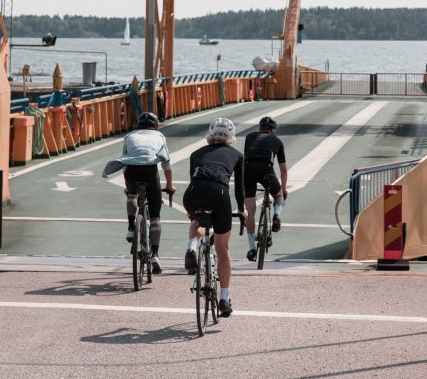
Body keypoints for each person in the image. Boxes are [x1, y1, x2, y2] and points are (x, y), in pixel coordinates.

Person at [183, 117, 247, 318]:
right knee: (222, 247)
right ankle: (223, 299)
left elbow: (194, 177)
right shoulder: (237, 155)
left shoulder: (196, 153)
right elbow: (240, 188)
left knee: (196, 220)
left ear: (210, 134)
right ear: (231, 136)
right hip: (219, 193)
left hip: (193, 192)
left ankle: (191, 247)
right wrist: (242, 210)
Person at [102, 111, 174, 274]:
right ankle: (155, 254)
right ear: (155, 125)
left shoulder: (129, 136)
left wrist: (129, 187)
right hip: (149, 172)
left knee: (131, 194)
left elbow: (126, 160)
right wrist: (170, 185)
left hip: (132, 171)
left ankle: (130, 227)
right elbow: (166, 165)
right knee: (155, 216)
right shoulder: (160, 137)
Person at [243, 115, 288, 261]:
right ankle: (276, 215)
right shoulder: (277, 141)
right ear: (273, 131)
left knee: (249, 212)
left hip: (248, 170)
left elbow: (246, 156)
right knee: (278, 195)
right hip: (266, 170)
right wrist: (283, 188)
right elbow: (283, 170)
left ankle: (251, 248)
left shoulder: (249, 137)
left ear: (259, 128)